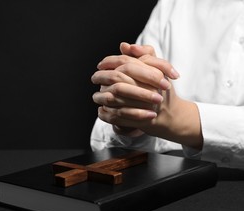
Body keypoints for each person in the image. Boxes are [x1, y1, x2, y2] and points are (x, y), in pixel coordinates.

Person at [90, 0, 244, 169]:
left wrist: (182, 118)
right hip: (167, 182)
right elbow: (105, 136)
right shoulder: (173, 4)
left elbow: (166, 118)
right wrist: (129, 117)